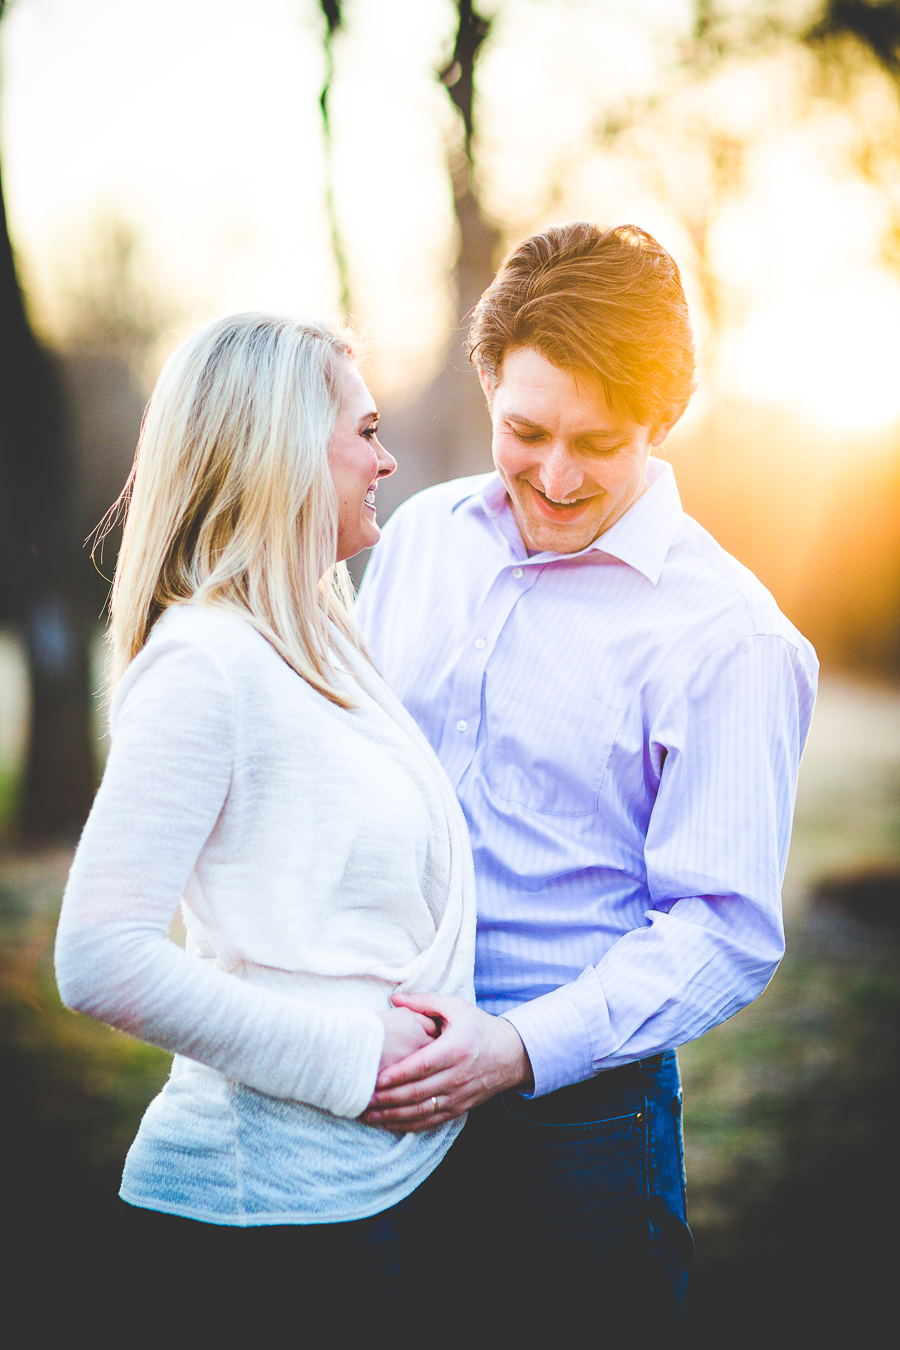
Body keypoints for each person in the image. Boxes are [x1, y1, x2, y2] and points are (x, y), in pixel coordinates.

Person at [355, 222, 819, 1338]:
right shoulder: (416, 539)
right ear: (487, 383)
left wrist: (516, 1049)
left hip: (575, 1133)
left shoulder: (729, 636)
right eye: (525, 432)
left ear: (661, 425)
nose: (555, 479)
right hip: (369, 1090)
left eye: (598, 443)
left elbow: (724, 929)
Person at [53, 313, 476, 1334]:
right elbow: (99, 958)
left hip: (369, 1198)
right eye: (366, 432)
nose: (387, 459)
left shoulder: (323, 641)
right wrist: (348, 1056)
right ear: (286, 450)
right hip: (266, 1229)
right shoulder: (206, 667)